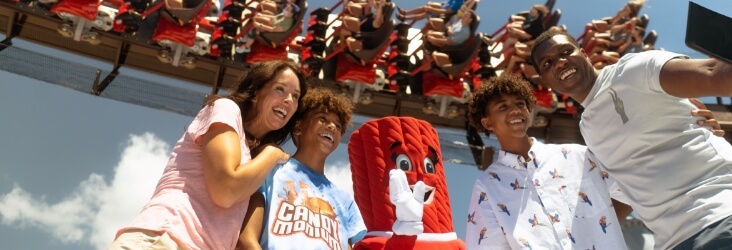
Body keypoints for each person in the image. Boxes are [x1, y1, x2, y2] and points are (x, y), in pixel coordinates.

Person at [529, 28, 732, 249]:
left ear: (584, 52)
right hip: (674, 242)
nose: (559, 62)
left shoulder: (634, 70)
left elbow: (714, 75)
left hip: (720, 212)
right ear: (546, 81)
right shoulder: (588, 128)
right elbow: (623, 196)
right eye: (547, 64)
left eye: (566, 51)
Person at [108, 60, 308, 250]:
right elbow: (225, 190)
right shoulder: (226, 109)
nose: (288, 100)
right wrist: (272, 154)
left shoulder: (255, 161)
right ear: (256, 92)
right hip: (165, 238)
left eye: (296, 96)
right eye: (280, 89)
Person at [464, 74, 628, 249]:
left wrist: (594, 228)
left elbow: (627, 193)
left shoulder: (577, 155)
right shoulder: (487, 186)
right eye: (503, 106)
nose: (515, 110)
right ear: (488, 123)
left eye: (520, 104)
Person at [236, 87, 367, 250]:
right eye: (323, 119)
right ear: (298, 127)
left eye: (338, 126)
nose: (332, 127)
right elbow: (245, 240)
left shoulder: (345, 200)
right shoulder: (269, 169)